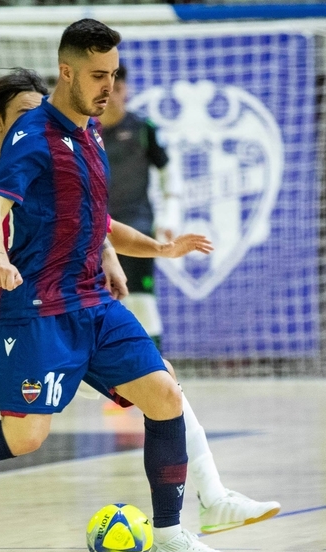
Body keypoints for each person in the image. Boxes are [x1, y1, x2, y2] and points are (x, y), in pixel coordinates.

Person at [0, 19, 263, 552]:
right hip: (38, 312)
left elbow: (100, 221)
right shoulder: (32, 140)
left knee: (165, 394)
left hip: (92, 305)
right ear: (67, 71)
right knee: (23, 437)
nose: (110, 86)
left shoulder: (90, 133)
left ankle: (171, 532)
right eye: (99, 75)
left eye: (115, 74)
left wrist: (159, 249)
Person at [101, 62, 181, 348]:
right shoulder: (84, 132)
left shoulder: (143, 128)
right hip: (96, 232)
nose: (113, 96)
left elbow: (169, 173)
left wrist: (169, 217)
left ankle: (157, 369)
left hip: (136, 226)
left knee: (140, 300)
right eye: (107, 89)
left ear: (127, 90)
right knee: (96, 301)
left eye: (118, 89)